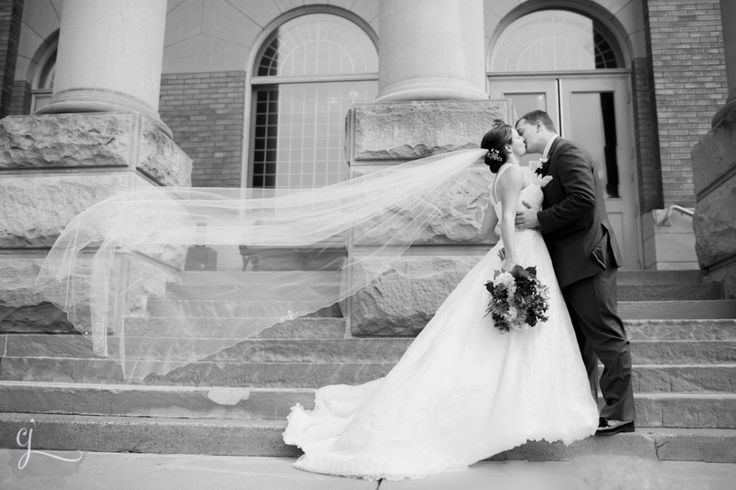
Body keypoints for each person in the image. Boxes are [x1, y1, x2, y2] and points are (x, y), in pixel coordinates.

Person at [282, 121, 599, 481]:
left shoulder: (504, 176)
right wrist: (512, 262)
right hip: (522, 252)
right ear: (508, 146)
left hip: (519, 247)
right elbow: (507, 220)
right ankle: (517, 410)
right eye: (517, 135)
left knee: (501, 338)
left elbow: (485, 228)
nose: (522, 138)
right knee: (514, 337)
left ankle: (521, 407)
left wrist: (514, 215)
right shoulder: (512, 174)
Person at [514, 110, 636, 436]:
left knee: (607, 337)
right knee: (582, 344)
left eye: (522, 129)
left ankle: (621, 413)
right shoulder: (550, 159)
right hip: (570, 265)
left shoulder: (567, 152)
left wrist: (540, 219)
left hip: (589, 259)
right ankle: (587, 409)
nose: (519, 136)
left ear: (540, 125)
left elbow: (584, 198)